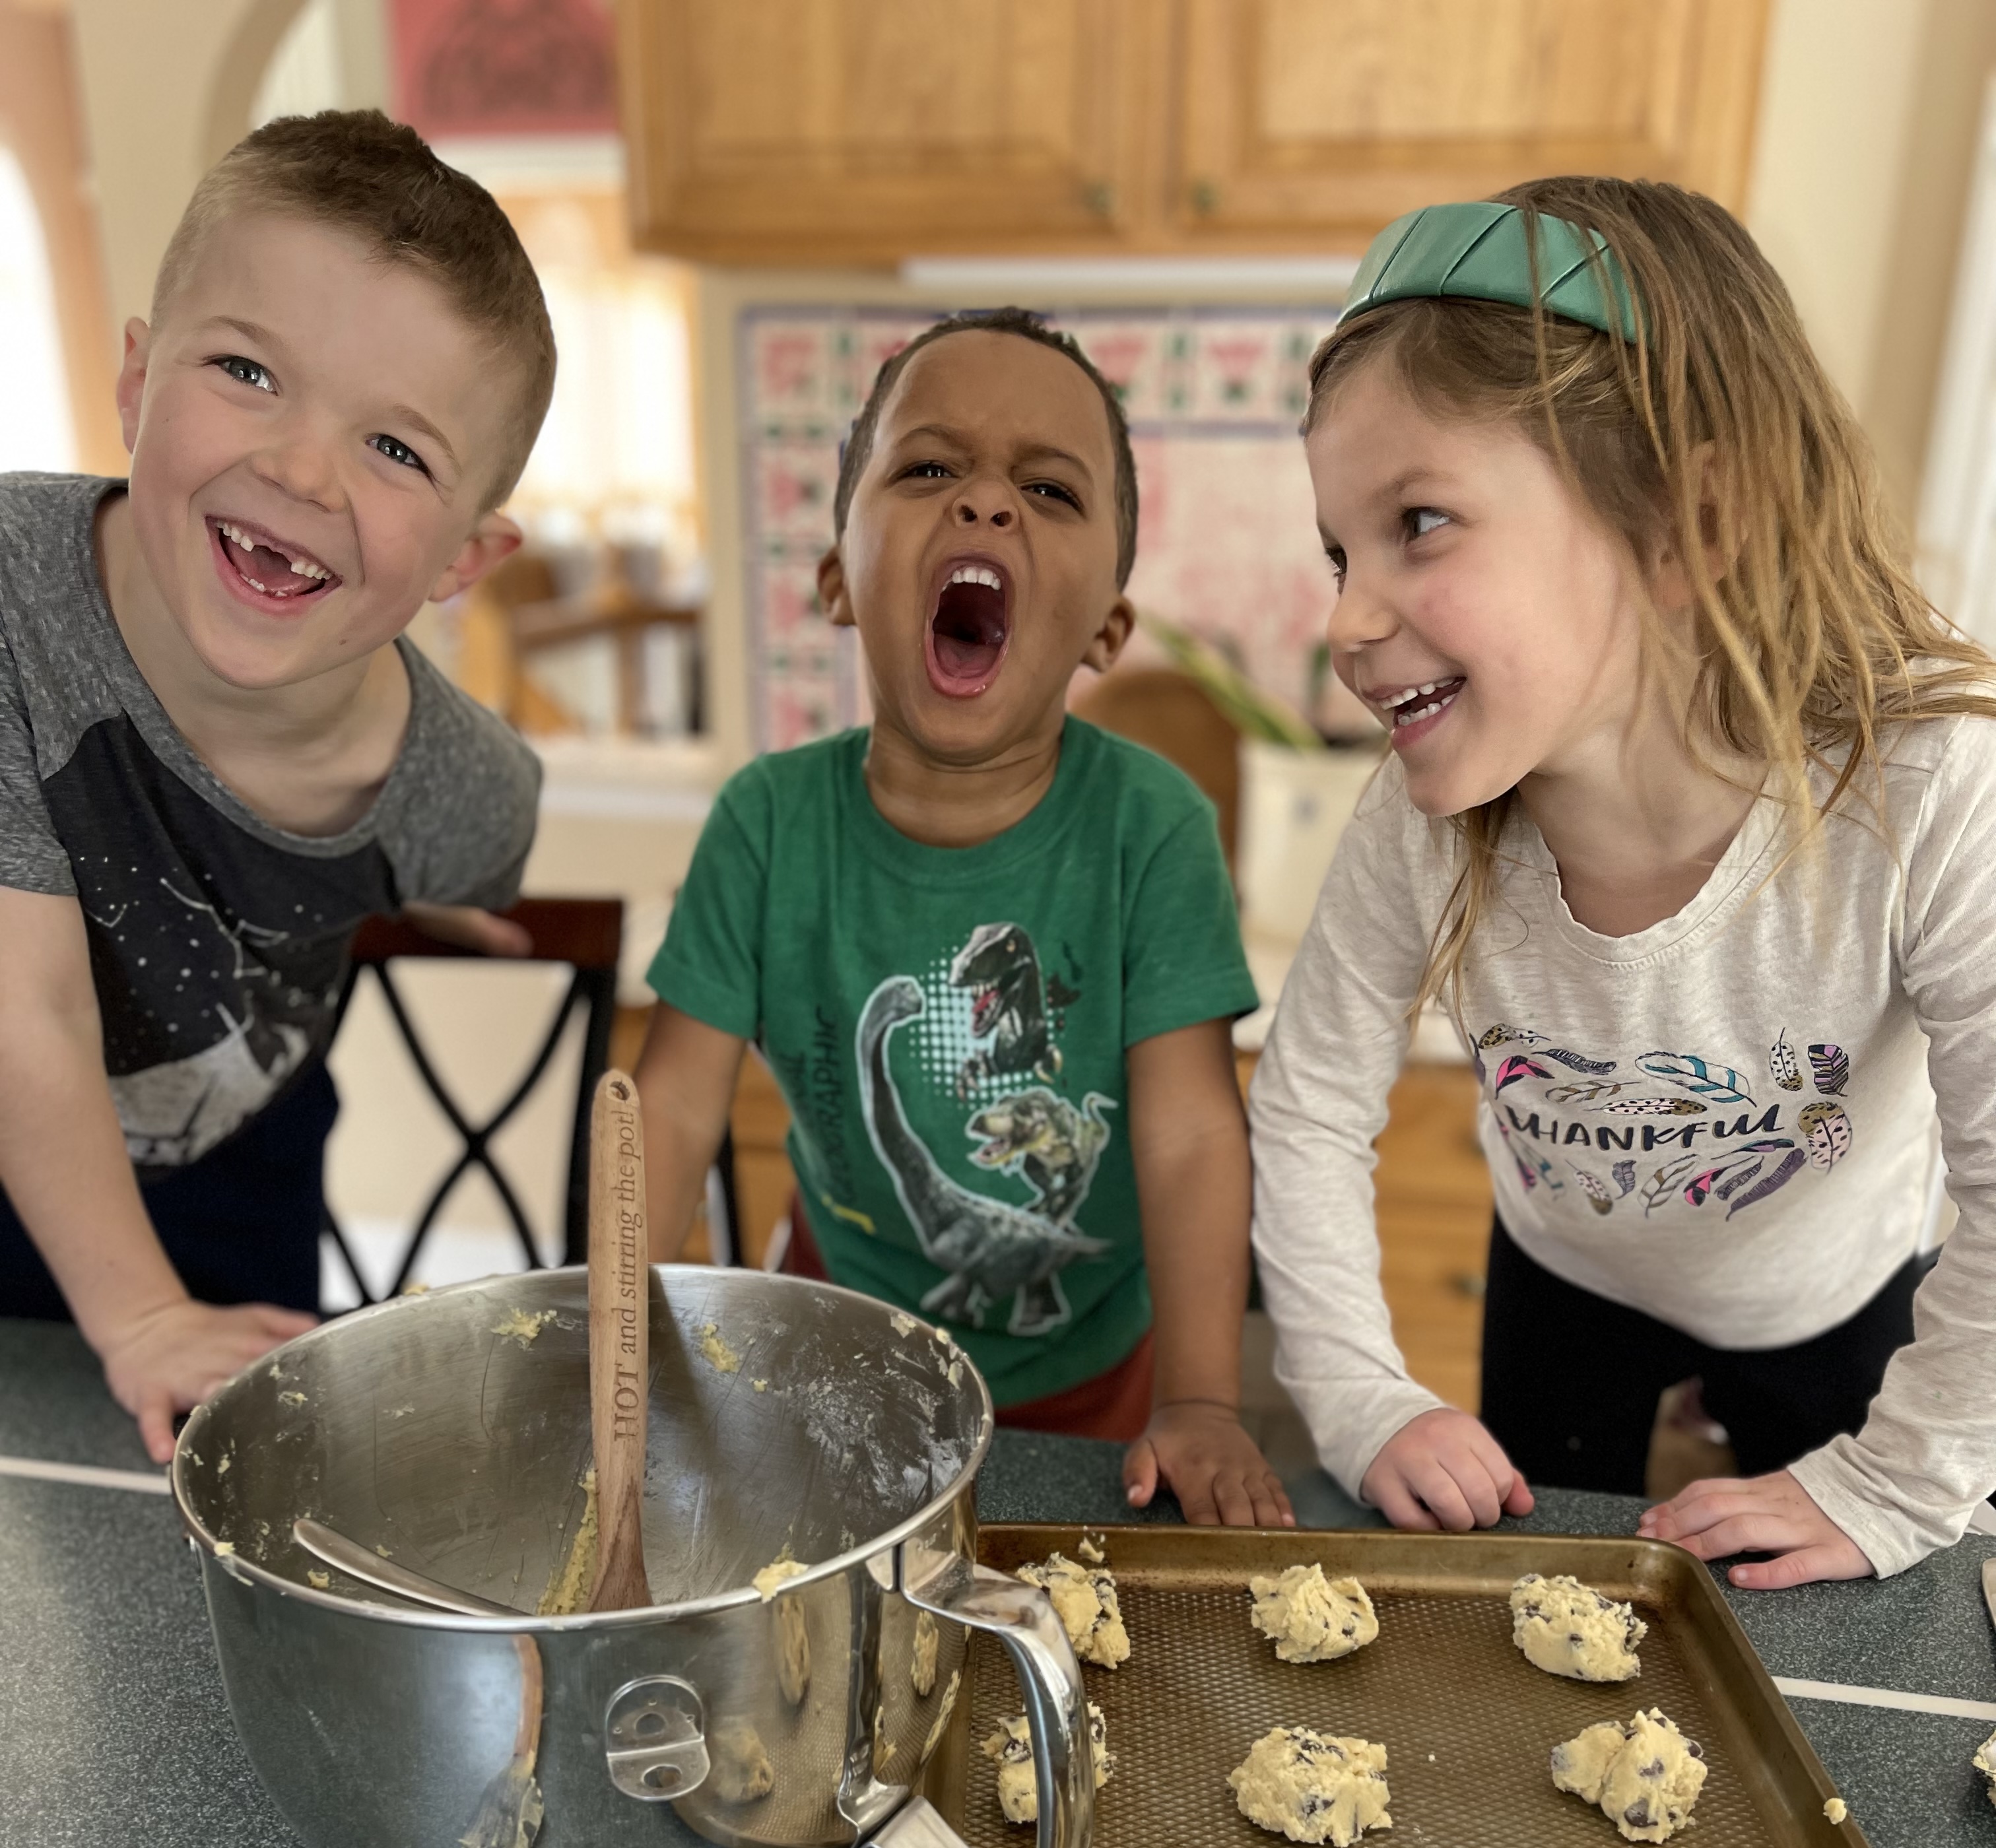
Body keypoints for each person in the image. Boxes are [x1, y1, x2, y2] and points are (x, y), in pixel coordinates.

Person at [1251, 179, 1996, 1587]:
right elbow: (1305, 1114)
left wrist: (1899, 1483)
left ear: (1686, 520)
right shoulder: (1419, 824)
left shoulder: (1934, 789)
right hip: (1565, 1279)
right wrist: (1361, 1398)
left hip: (1829, 1295)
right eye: (1339, 549)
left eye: (1420, 522)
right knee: (1544, 1615)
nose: (1346, 621)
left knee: (1823, 1635)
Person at [636, 309, 1292, 1527]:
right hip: (835, 1355)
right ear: (838, 578)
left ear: (1105, 627)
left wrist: (1204, 1398)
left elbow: (1195, 1135)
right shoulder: (766, 824)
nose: (986, 503)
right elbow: (667, 1102)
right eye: (930, 468)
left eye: (1048, 488)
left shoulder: (1153, 827)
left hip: (1096, 1379)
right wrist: (618, 1341)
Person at [0, 110, 551, 1459]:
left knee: (205, 1520)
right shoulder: (9, 597)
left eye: (397, 449)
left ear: (464, 560)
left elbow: (468, 885)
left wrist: (425, 905)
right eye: (247, 369)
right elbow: (26, 1006)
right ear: (135, 381)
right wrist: (136, 1319)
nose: (301, 468)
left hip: (238, 1171)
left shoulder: (467, 792)